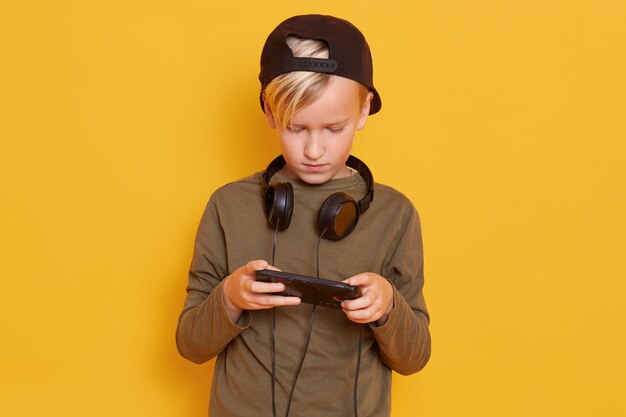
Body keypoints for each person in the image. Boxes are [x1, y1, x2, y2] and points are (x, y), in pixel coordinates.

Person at [176, 14, 431, 417]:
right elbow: (190, 345)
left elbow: (414, 358)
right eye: (296, 128)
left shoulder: (395, 216)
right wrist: (229, 297)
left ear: (364, 111)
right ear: (269, 111)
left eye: (334, 128)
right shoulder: (228, 206)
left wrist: (388, 307)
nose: (314, 151)